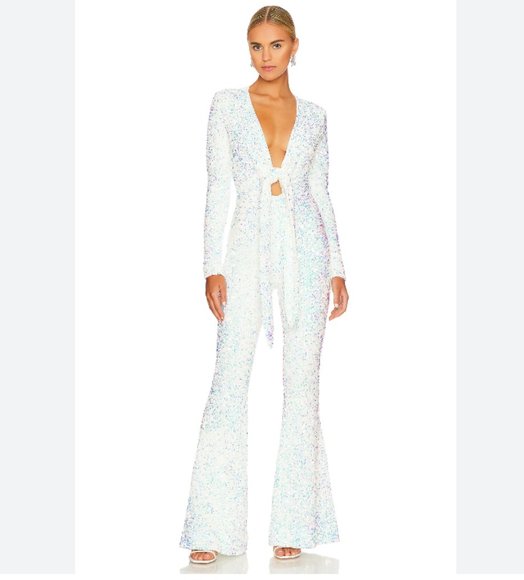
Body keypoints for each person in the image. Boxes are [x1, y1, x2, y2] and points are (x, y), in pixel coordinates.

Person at [179, 5, 349, 564]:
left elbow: (321, 191)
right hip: (247, 246)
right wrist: (212, 265)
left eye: (276, 45)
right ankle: (211, 526)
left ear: (295, 47)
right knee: (229, 379)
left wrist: (337, 266)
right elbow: (217, 186)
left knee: (302, 386)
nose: (266, 56)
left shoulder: (316, 116)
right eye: (256, 45)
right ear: (247, 49)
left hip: (306, 250)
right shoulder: (227, 105)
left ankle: (294, 521)